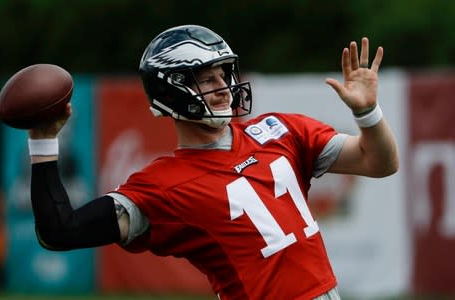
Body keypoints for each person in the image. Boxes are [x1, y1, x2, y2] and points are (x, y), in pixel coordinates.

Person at [27, 25, 399, 299]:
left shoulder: (280, 130)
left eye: (223, 73)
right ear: (171, 89)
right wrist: (43, 140)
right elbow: (61, 230)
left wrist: (368, 113)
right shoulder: (163, 186)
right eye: (206, 78)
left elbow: (379, 162)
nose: (223, 86)